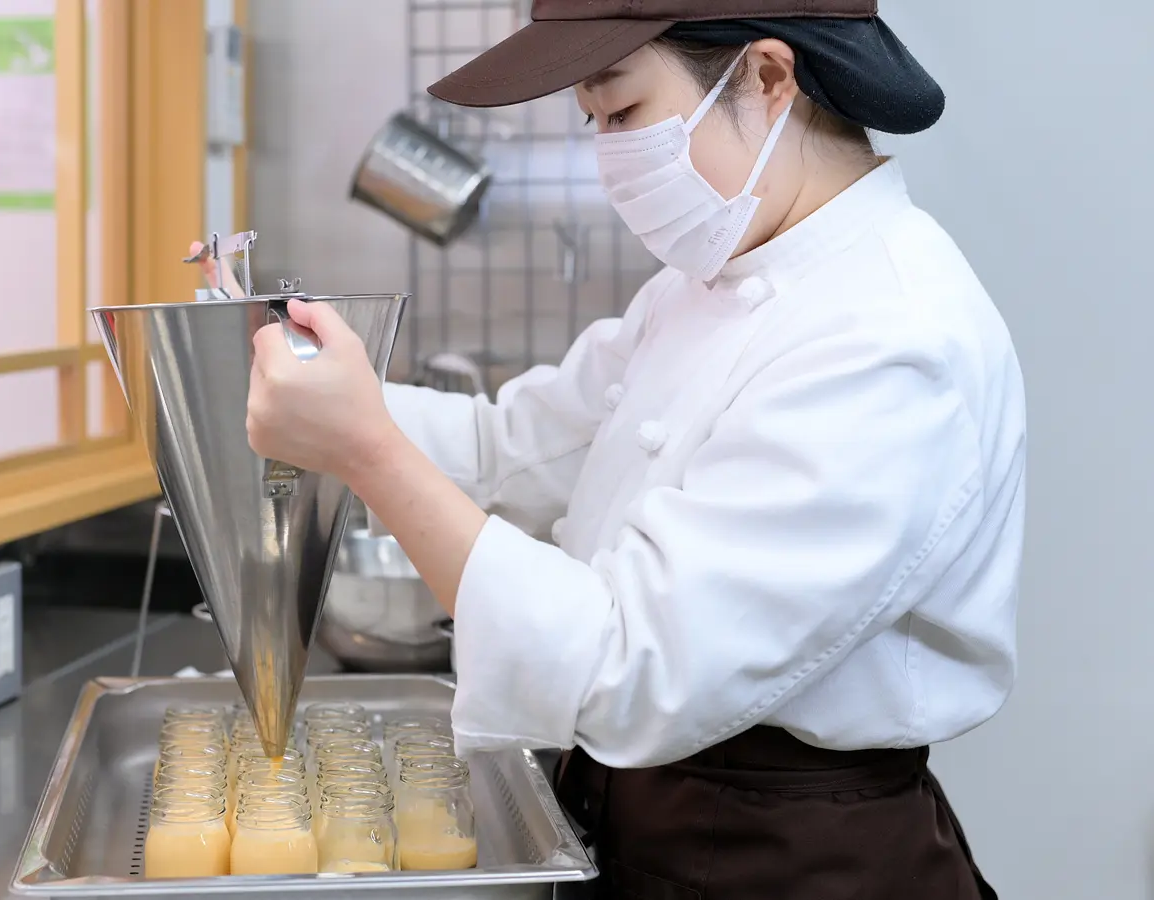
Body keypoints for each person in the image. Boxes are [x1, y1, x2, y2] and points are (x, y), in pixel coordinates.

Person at [201, 2, 1022, 896]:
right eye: (592, 124)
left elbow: (633, 670)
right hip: (641, 817)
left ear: (767, 77)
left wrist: (362, 447)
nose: (607, 162)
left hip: (794, 856)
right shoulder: (701, 286)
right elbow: (509, 451)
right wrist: (291, 374)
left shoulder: (886, 338)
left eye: (623, 113)